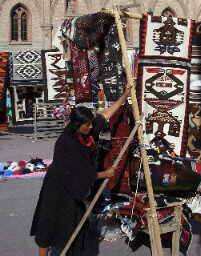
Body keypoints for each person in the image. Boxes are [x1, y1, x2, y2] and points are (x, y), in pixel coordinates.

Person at [31, 85, 131, 256]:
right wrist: (104, 174)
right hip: (57, 187)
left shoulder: (88, 133)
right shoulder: (66, 144)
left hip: (75, 187)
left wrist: (124, 96)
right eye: (87, 125)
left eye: (91, 124)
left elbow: (106, 115)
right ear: (77, 125)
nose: (91, 127)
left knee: (73, 224)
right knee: (48, 224)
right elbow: (79, 173)